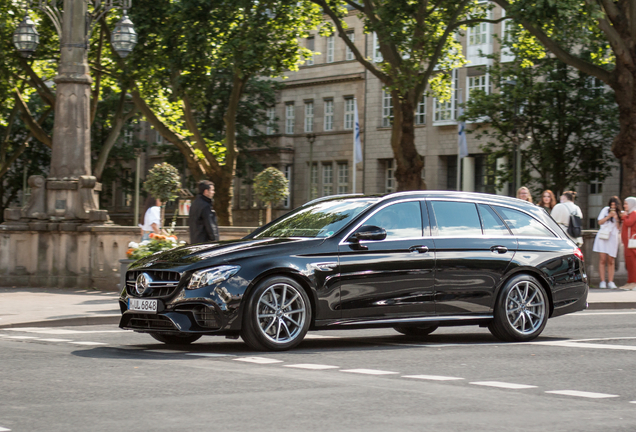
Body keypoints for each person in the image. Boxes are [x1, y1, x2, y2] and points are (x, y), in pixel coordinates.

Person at [592, 196, 622, 289]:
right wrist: (609, 216)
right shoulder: (605, 210)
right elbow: (600, 222)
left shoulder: (620, 213)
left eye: (614, 205)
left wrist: (616, 218)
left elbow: (619, 228)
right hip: (603, 237)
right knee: (602, 259)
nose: (613, 206)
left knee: (611, 260)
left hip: (612, 237)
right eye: (611, 205)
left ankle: (611, 281)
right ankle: (602, 281)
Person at [188, 180, 219, 244]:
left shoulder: (194, 203)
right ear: (206, 191)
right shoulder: (205, 206)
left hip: (195, 240)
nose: (214, 192)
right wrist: (215, 241)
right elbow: (210, 225)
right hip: (205, 242)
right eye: (212, 190)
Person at [620, 196, 636, 290]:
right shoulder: (630, 213)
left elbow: (629, 223)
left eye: (626, 204)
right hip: (628, 244)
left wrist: (624, 216)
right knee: (629, 264)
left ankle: (634, 282)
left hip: (632, 243)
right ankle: (630, 282)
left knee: (633, 263)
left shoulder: (633, 213)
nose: (624, 205)